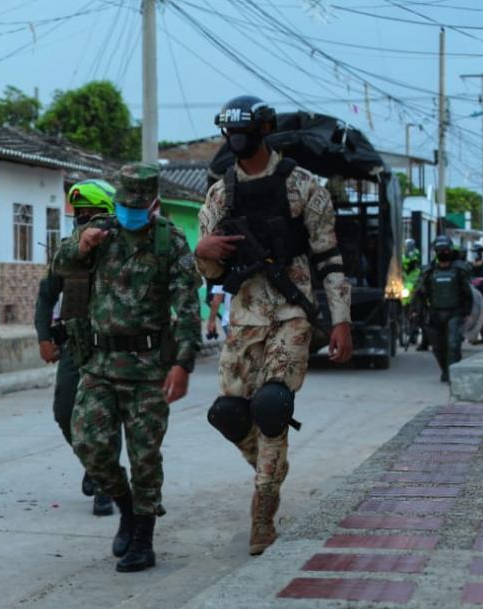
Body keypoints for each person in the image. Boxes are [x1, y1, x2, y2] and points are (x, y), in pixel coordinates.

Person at [195, 95, 354, 557]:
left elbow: (330, 258)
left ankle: (262, 515)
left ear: (265, 130)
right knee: (228, 413)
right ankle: (270, 470)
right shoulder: (220, 193)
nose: (237, 141)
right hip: (244, 316)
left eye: (244, 131)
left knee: (271, 404)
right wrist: (203, 250)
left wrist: (340, 321)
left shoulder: (304, 186)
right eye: (230, 133)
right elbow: (208, 271)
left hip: (291, 311)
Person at [53, 163, 200, 573]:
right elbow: (60, 267)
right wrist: (81, 246)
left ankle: (143, 539)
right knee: (89, 443)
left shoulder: (168, 241)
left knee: (145, 456)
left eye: (137, 207)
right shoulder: (100, 232)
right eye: (124, 206)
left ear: (152, 204)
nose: (129, 213)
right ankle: (126, 507)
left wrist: (182, 364)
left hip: (149, 368)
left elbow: (187, 307)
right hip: (99, 363)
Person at [35, 179, 117, 517]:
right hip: (74, 344)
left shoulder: (120, 254)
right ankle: (92, 460)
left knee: (105, 418)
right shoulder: (69, 251)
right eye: (80, 216)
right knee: (63, 411)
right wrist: (43, 336)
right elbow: (47, 293)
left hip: (111, 348)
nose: (85, 222)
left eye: (92, 215)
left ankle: (105, 485)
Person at [412, 234, 472, 383]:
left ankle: (453, 375)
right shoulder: (429, 272)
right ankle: (446, 371)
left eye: (445, 250)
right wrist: (416, 312)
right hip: (434, 314)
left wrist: (467, 313)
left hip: (455, 313)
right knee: (438, 348)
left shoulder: (459, 270)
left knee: (453, 345)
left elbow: (468, 293)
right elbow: (419, 293)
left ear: (450, 251)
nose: (443, 253)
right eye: (440, 251)